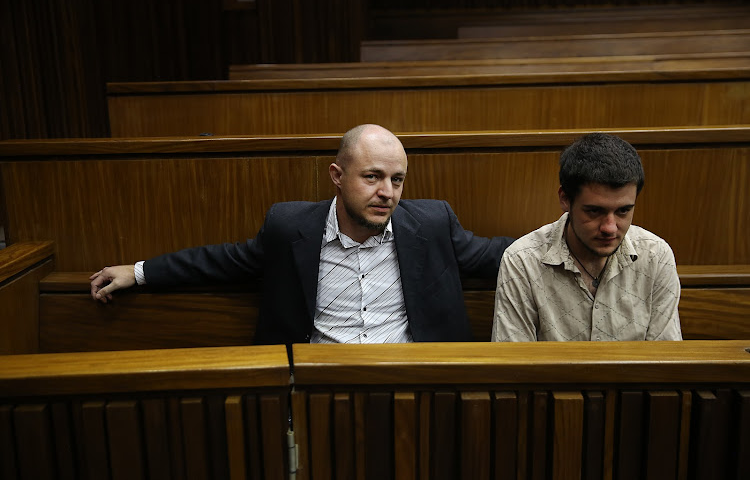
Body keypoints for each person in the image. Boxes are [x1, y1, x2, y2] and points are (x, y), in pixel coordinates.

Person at [91, 124, 513, 344]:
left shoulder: (431, 223)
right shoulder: (289, 226)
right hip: (319, 382)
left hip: (414, 380)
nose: (387, 193)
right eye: (372, 177)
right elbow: (222, 261)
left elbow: (498, 255)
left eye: (397, 180)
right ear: (337, 175)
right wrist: (140, 272)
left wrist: (568, 241)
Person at [491, 132, 682, 342]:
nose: (610, 228)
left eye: (623, 211)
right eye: (594, 211)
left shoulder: (655, 255)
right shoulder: (523, 261)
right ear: (565, 199)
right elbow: (515, 366)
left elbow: (665, 364)